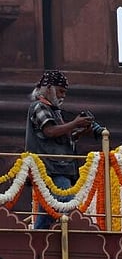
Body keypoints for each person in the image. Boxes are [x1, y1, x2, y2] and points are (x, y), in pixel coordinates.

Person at [25, 70, 94, 229]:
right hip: (51, 169)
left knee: (50, 209)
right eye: (60, 91)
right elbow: (49, 131)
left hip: (59, 168)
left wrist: (82, 130)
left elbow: (62, 136)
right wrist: (75, 123)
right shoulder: (39, 106)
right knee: (66, 205)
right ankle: (44, 241)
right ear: (48, 88)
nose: (63, 96)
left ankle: (37, 242)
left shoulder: (53, 110)